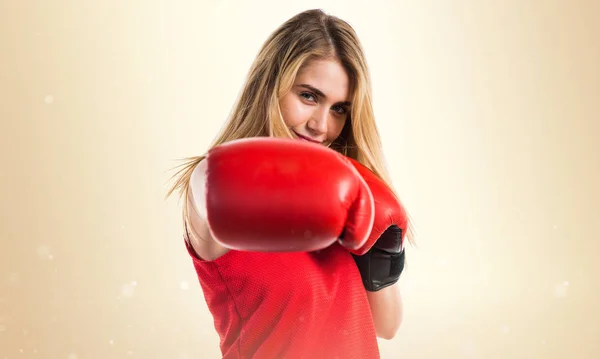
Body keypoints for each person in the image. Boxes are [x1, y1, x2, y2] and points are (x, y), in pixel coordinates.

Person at [166, 9, 415, 359]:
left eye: (340, 109)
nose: (321, 126)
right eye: (308, 96)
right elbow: (209, 184)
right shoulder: (216, 180)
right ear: (270, 86)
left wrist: (385, 250)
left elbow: (386, 326)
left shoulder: (346, 196)